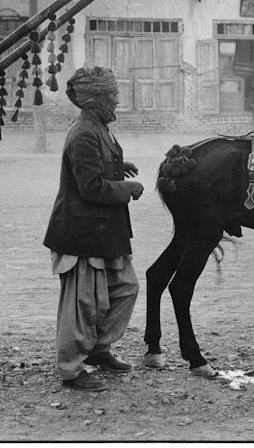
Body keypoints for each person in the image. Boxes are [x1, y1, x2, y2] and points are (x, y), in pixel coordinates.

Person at [43, 66, 144, 392]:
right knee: (82, 303)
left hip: (102, 231)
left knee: (125, 288)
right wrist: (127, 189)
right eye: (112, 96)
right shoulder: (85, 132)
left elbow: (94, 168)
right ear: (96, 99)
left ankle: (98, 349)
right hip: (81, 232)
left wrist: (118, 167)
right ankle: (71, 370)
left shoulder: (96, 127)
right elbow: (91, 188)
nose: (117, 102)